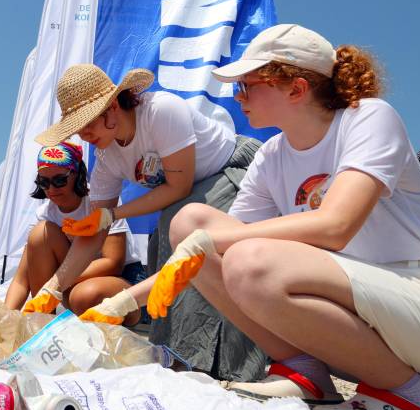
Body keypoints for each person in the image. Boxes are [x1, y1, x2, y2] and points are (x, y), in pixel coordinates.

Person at [147, 24, 420, 410]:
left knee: (250, 261)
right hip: (361, 317)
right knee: (190, 221)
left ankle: (411, 397)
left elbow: (336, 225)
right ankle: (305, 372)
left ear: (296, 88)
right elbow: (207, 248)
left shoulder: (368, 118)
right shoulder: (272, 154)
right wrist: (119, 304)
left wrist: (210, 241)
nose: (239, 98)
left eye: (247, 86)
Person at [30, 63, 266, 380]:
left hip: (233, 172)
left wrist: (111, 214)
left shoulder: (160, 112)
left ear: (112, 106)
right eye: (78, 128)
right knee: (162, 251)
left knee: (182, 240)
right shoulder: (108, 157)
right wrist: (53, 288)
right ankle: (178, 357)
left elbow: (178, 187)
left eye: (88, 124)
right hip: (188, 199)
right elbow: (93, 234)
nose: (84, 135)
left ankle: (223, 365)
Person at [4, 141, 143, 324]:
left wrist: (56, 281)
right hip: (70, 282)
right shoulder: (46, 213)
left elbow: (113, 262)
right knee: (39, 234)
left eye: (59, 180)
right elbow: (22, 279)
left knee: (85, 295)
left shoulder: (101, 202)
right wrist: (3, 319)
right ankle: (42, 325)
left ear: (77, 175)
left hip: (120, 281)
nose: (52, 189)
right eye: (43, 182)